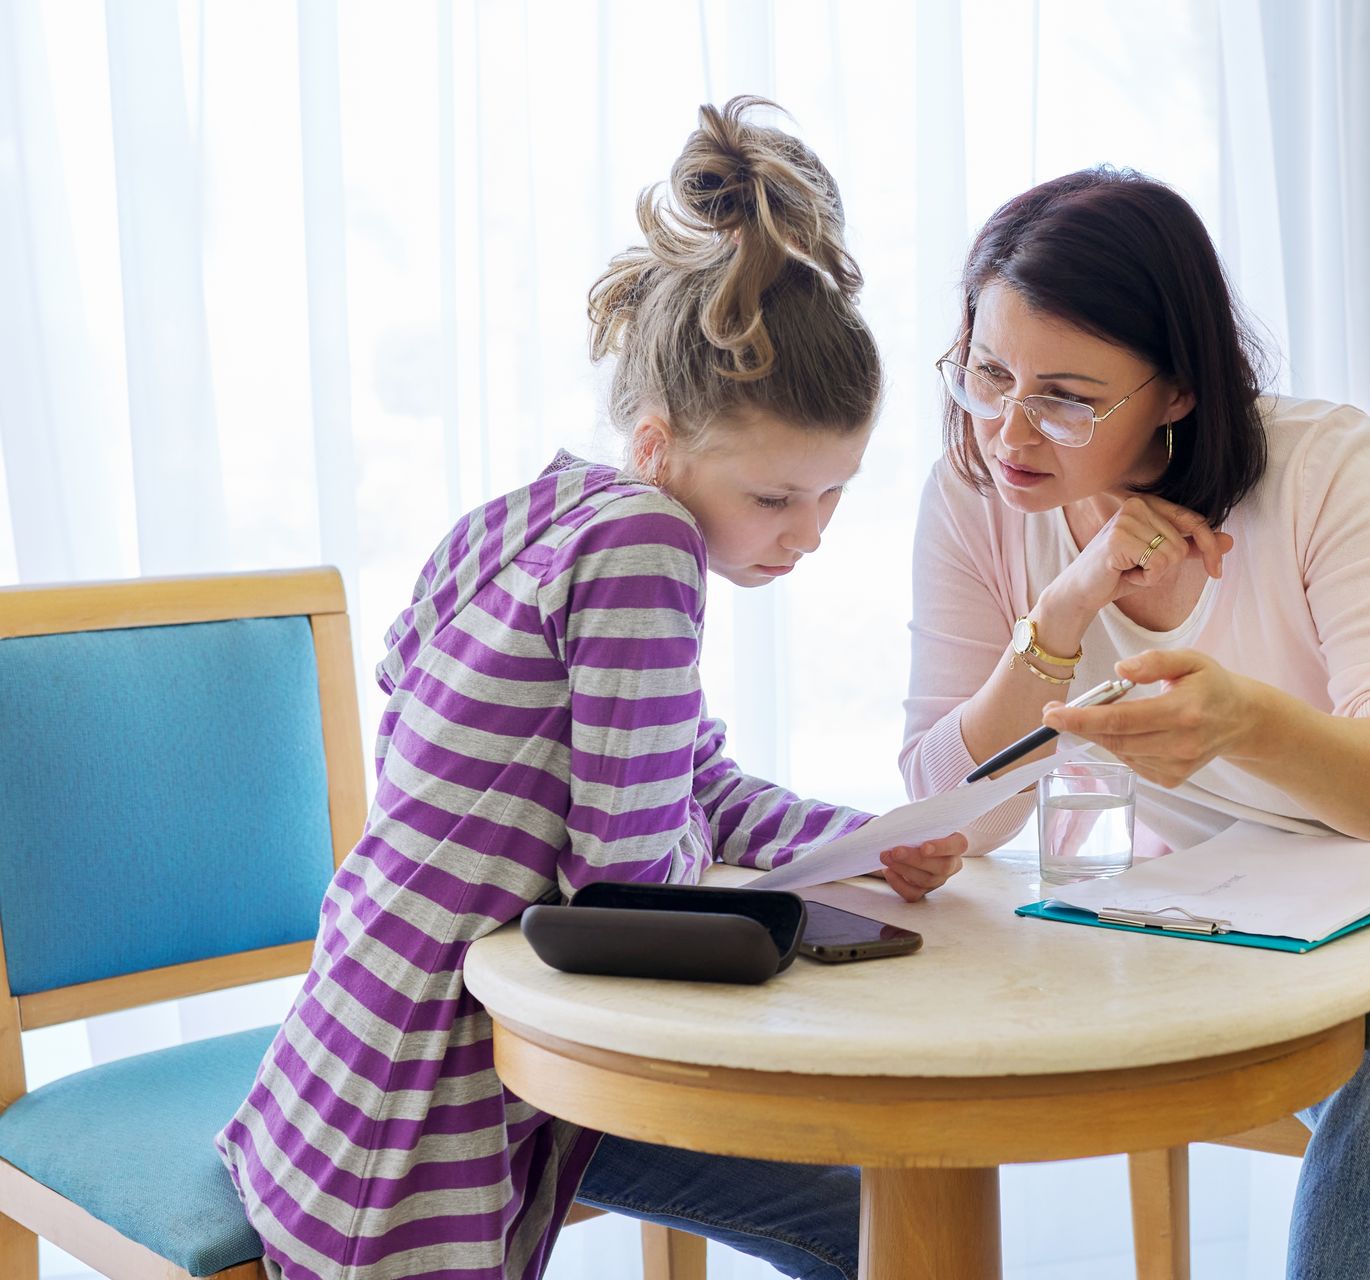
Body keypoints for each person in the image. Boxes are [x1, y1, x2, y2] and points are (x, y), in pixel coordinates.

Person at [217, 98, 961, 1280]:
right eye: (776, 498)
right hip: (437, 1099)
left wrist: (859, 838)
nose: (808, 534)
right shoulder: (644, 551)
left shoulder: (531, 518)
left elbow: (685, 782)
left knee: (847, 1194)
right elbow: (627, 880)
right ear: (660, 445)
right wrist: (746, 876)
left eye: (834, 494)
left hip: (337, 1062)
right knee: (871, 1215)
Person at [901, 166, 1370, 1279]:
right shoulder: (977, 495)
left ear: (1175, 392)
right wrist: (1063, 610)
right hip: (1302, 881)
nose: (1009, 426)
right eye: (987, 370)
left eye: (1066, 395)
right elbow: (944, 814)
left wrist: (1244, 722)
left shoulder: (1317, 463)